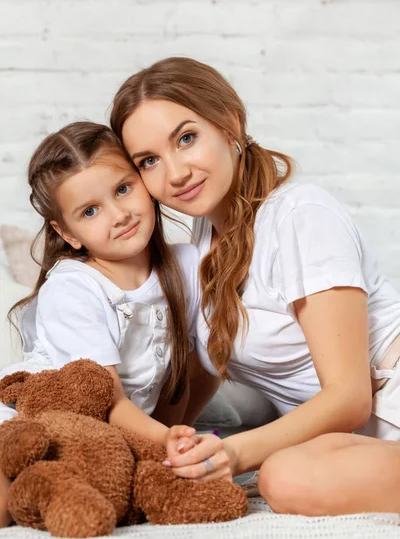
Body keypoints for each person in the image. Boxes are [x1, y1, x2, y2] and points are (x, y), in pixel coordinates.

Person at [109, 56, 400, 513]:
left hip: (385, 404)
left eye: (186, 138)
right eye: (149, 161)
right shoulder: (206, 239)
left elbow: (349, 396)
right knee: (282, 472)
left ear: (230, 123)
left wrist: (235, 452)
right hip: (360, 445)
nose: (176, 172)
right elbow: (209, 358)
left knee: (282, 476)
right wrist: (161, 447)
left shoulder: (302, 215)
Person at [0, 121, 208, 526]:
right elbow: (107, 400)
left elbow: (185, 370)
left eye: (123, 189)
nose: (119, 215)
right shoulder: (74, 287)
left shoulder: (186, 266)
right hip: (32, 419)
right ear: (67, 233)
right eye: (90, 211)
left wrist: (173, 435)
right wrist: (162, 439)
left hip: (102, 438)